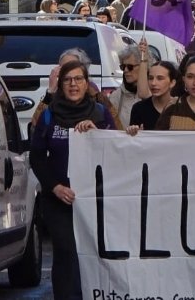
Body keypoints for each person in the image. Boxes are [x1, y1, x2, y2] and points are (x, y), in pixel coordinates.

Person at [29, 59, 116, 300]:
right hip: (59, 199)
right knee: (66, 251)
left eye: (78, 79)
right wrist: (55, 187)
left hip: (93, 198)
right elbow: (36, 157)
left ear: (87, 84)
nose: (73, 84)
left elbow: (118, 149)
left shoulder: (100, 113)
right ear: (60, 84)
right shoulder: (48, 116)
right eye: (67, 80)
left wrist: (98, 134)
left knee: (91, 250)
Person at [109, 42, 152, 128]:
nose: (125, 70)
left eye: (130, 67)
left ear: (143, 66)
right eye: (123, 67)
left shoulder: (154, 91)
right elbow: (110, 127)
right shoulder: (116, 96)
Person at [128, 61, 178, 130]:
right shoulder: (139, 108)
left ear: (172, 83)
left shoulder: (181, 108)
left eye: (160, 78)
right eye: (151, 78)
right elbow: (134, 139)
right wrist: (133, 132)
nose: (153, 83)